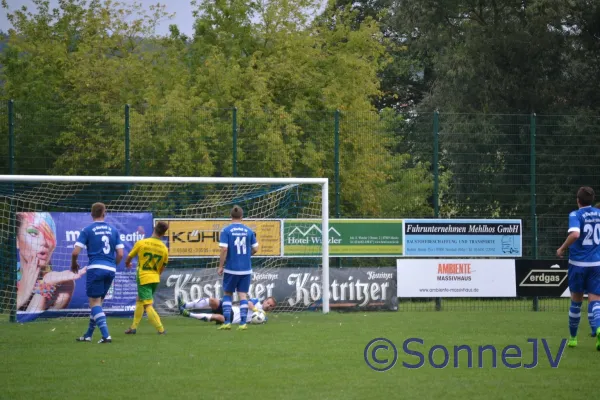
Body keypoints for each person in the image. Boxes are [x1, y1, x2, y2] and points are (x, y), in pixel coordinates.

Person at [71, 203, 124, 344]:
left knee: (94, 303)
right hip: (110, 269)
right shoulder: (113, 230)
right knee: (98, 303)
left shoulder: (87, 230)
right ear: (104, 213)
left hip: (96, 268)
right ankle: (88, 335)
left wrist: (73, 263)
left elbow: (75, 252)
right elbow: (120, 254)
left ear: (91, 213)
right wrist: (113, 265)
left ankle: (106, 336)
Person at [16, 212, 87, 313]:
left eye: (49, 236)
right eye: (33, 233)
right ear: (17, 240)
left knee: (68, 284)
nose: (43, 242)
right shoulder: (9, 276)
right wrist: (23, 293)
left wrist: (47, 282)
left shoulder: (61, 287)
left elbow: (32, 319)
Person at [557, 187, 600, 349]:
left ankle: (573, 338)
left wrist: (562, 248)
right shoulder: (599, 213)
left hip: (578, 264)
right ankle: (598, 329)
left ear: (578, 200)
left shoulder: (575, 215)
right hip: (597, 264)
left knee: (576, 300)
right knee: (595, 300)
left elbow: (575, 234)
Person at [217, 205, 259, 330]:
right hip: (246, 269)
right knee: (243, 295)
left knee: (227, 294)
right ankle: (242, 324)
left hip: (231, 268)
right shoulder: (249, 231)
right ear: (241, 216)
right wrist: (247, 255)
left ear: (231, 216)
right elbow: (256, 248)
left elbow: (224, 249)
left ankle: (227, 322)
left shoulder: (226, 230)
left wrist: (220, 266)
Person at [123, 221, 169, 335]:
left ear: (154, 228)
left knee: (147, 304)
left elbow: (129, 257)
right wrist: (156, 275)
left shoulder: (142, 243)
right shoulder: (164, 248)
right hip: (155, 278)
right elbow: (163, 266)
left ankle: (161, 329)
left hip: (143, 277)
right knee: (140, 299)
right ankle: (133, 327)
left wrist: (127, 263)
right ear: (164, 233)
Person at [177, 295, 276, 324]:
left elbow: (258, 322)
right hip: (231, 309)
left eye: (271, 306)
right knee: (213, 301)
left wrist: (260, 316)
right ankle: (185, 305)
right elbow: (247, 303)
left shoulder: (263, 317)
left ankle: (188, 314)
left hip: (232, 320)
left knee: (219, 317)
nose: (268, 306)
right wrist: (255, 310)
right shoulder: (256, 301)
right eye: (268, 303)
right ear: (265, 300)